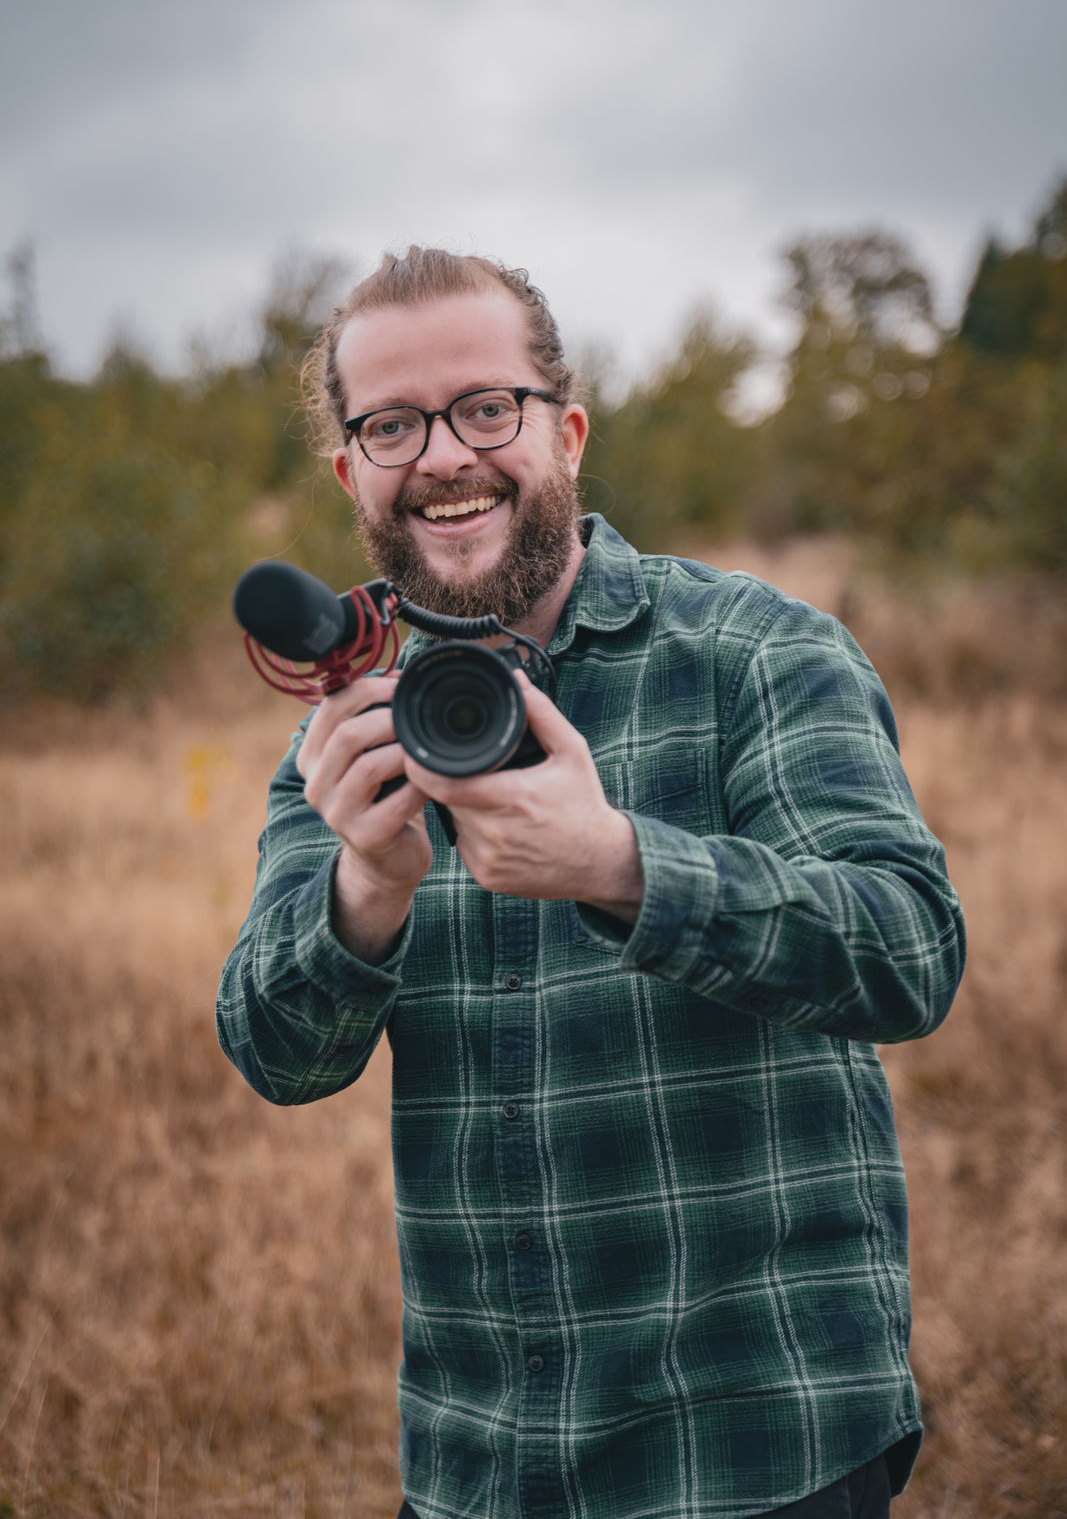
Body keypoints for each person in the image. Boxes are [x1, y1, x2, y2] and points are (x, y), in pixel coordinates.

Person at [216, 247, 965, 1519]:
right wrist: (366, 890)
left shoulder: (755, 652)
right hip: (478, 1465)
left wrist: (621, 866)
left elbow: (906, 952)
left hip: (757, 1446)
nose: (442, 455)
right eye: (391, 423)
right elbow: (276, 1053)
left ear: (563, 432)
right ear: (352, 471)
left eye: (484, 407)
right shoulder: (343, 736)